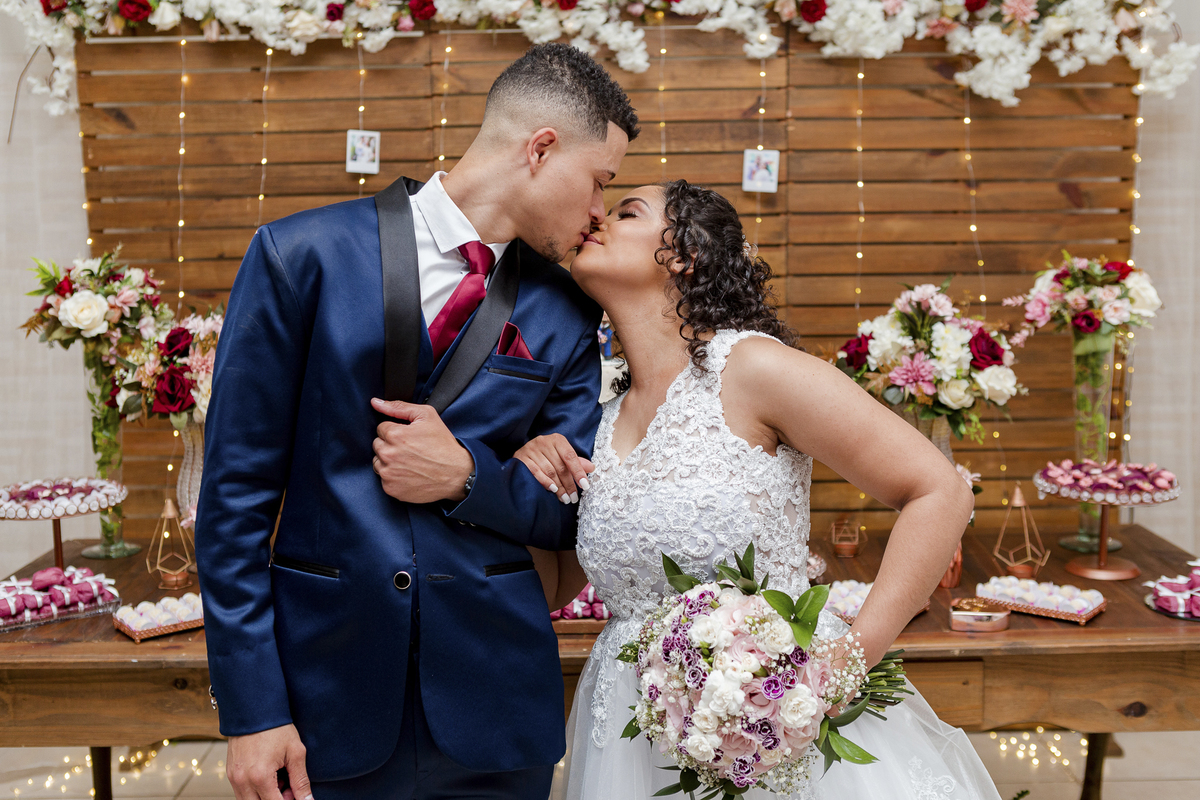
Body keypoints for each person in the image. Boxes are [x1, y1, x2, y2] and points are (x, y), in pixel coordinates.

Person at [195, 44, 638, 800]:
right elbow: (233, 503)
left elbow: (576, 516)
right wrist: (251, 710)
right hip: (325, 698)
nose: (600, 211)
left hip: (495, 705)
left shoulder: (570, 310)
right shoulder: (299, 256)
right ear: (541, 148)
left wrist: (468, 476)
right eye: (601, 181)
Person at [515, 180, 1003, 799]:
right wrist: (520, 473)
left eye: (626, 211)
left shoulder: (752, 370)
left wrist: (843, 666)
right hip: (636, 731)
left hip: (773, 717)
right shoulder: (596, 413)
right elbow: (559, 585)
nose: (596, 220)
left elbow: (941, 492)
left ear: (684, 254)